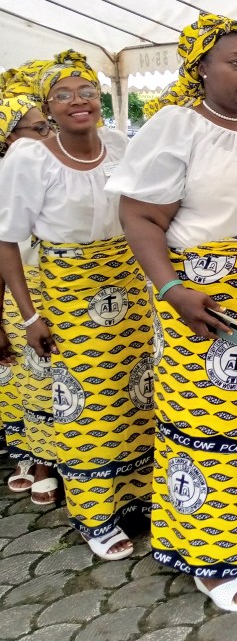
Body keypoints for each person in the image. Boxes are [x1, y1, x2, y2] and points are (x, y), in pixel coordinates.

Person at [107, 13, 237, 612]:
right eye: (234, 62)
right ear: (201, 69)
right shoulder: (177, 126)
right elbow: (139, 216)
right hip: (202, 303)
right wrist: (170, 289)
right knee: (214, 429)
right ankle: (213, 556)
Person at [0, 50, 154, 557]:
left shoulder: (120, 145)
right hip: (68, 293)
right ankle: (96, 515)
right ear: (48, 107)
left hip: (129, 287)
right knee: (86, 405)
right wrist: (29, 316)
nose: (77, 101)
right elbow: (7, 240)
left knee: (137, 394)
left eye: (86, 90)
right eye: (62, 95)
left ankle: (138, 497)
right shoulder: (29, 159)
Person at [0, 74, 60, 503]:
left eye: (48, 126)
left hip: (63, 289)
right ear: (9, 138)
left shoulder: (57, 167)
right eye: (39, 128)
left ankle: (69, 462)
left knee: (61, 383)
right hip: (21, 293)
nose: (48, 135)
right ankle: (38, 462)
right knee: (35, 382)